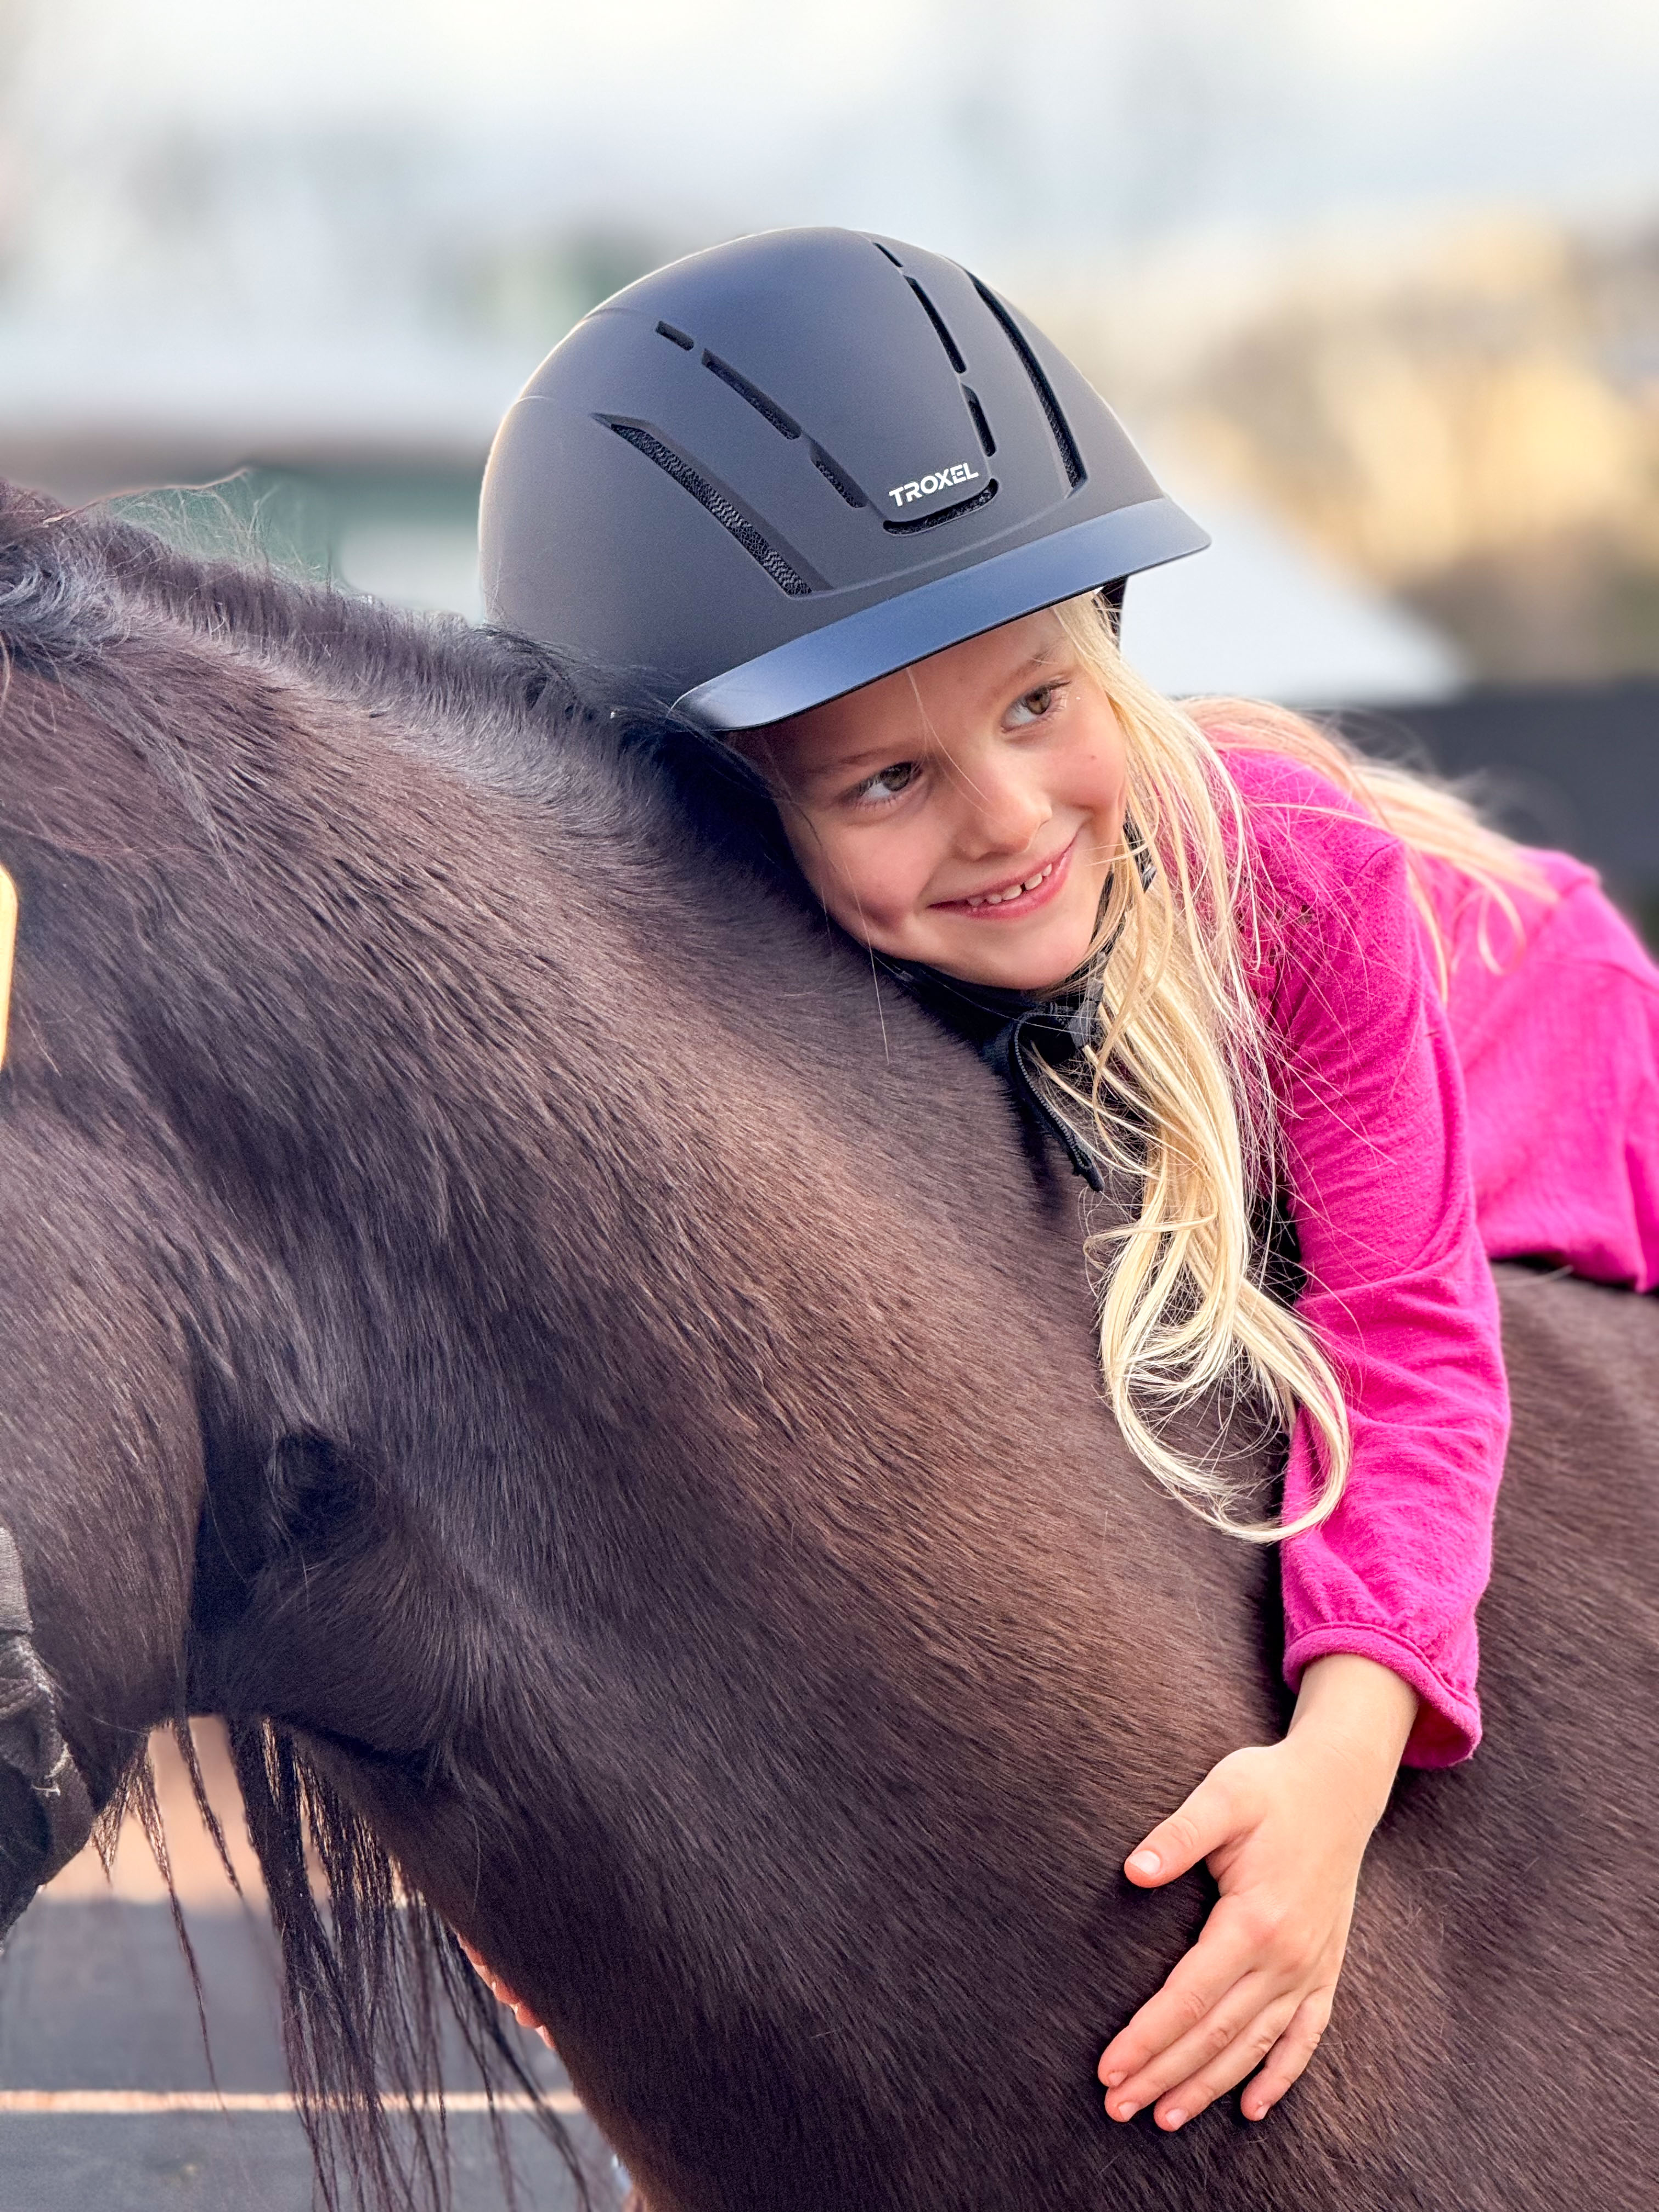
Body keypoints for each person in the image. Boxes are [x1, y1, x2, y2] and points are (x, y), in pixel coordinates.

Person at [474, 228, 1659, 2134]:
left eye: (1040, 703)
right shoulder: (756, 1004)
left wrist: (1340, 1781)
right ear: (732, 827)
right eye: (887, 781)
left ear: (1108, 636)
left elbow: (1413, 1343)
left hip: (1544, 1061)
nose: (1011, 820)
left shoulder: (1290, 868)